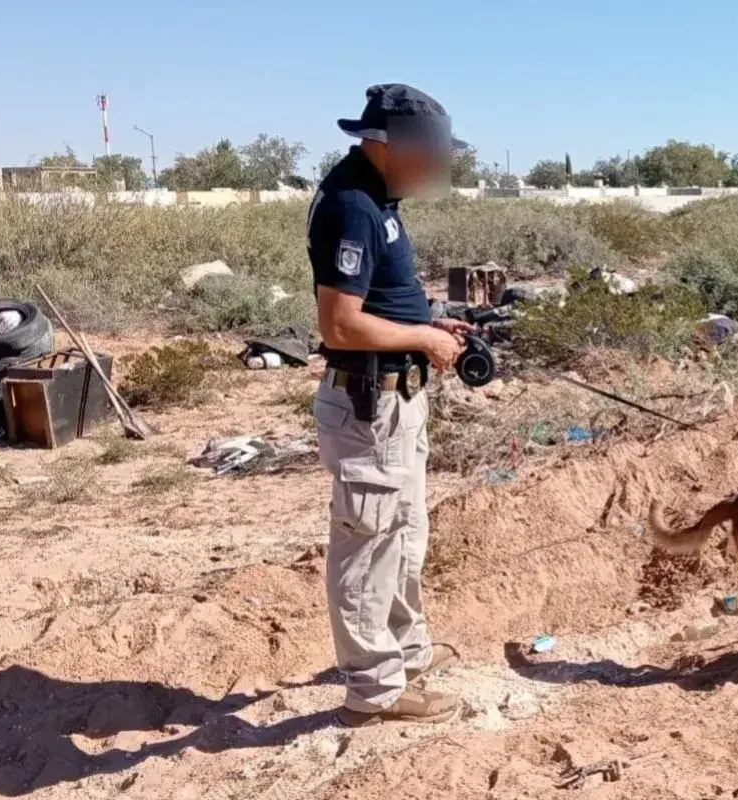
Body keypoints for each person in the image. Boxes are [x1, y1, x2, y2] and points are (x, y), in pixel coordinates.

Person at [308, 83, 473, 727]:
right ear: (385, 144)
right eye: (428, 155)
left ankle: (402, 654)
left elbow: (379, 299)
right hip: (368, 406)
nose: (434, 167)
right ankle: (374, 690)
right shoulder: (352, 206)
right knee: (368, 545)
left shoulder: (378, 197)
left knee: (401, 535)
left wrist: (428, 324)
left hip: (396, 401)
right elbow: (339, 325)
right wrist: (424, 339)